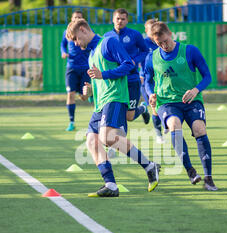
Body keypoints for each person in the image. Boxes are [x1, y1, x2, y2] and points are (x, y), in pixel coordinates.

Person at [66, 19, 160, 197]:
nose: (77, 45)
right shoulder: (92, 53)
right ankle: (110, 184)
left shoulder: (108, 42)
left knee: (107, 137)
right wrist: (88, 92)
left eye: (77, 39)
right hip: (100, 103)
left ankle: (149, 166)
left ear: (84, 29)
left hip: (115, 97)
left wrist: (104, 75)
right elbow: (98, 82)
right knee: (92, 141)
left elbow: (128, 64)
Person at [144, 22, 217, 190]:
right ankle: (190, 170)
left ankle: (209, 178)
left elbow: (207, 76)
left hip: (191, 100)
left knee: (199, 129)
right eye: (159, 43)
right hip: (167, 102)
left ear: (170, 33)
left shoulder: (190, 50)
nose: (164, 45)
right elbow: (147, 80)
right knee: (174, 125)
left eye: (165, 41)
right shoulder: (152, 57)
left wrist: (196, 89)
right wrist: (151, 94)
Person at [104, 8, 150, 127]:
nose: (120, 21)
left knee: (129, 116)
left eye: (123, 19)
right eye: (117, 18)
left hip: (131, 79)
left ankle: (142, 109)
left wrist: (134, 61)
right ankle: (115, 141)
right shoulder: (107, 37)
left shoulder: (135, 34)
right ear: (113, 19)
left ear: (127, 20)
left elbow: (145, 51)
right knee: (117, 112)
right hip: (116, 80)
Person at [60, 11, 91, 131]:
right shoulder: (66, 31)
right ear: (71, 19)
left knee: (83, 97)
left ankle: (90, 95)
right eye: (75, 18)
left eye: (79, 17)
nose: (77, 19)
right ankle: (71, 122)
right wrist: (63, 52)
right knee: (70, 94)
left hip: (85, 68)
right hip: (71, 67)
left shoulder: (86, 31)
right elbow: (63, 44)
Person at [140, 18, 165, 144]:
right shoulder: (142, 43)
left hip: (163, 79)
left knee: (166, 105)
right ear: (146, 30)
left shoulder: (162, 41)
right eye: (151, 28)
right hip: (148, 79)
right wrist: (140, 74)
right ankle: (159, 135)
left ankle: (167, 123)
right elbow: (139, 59)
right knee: (154, 107)